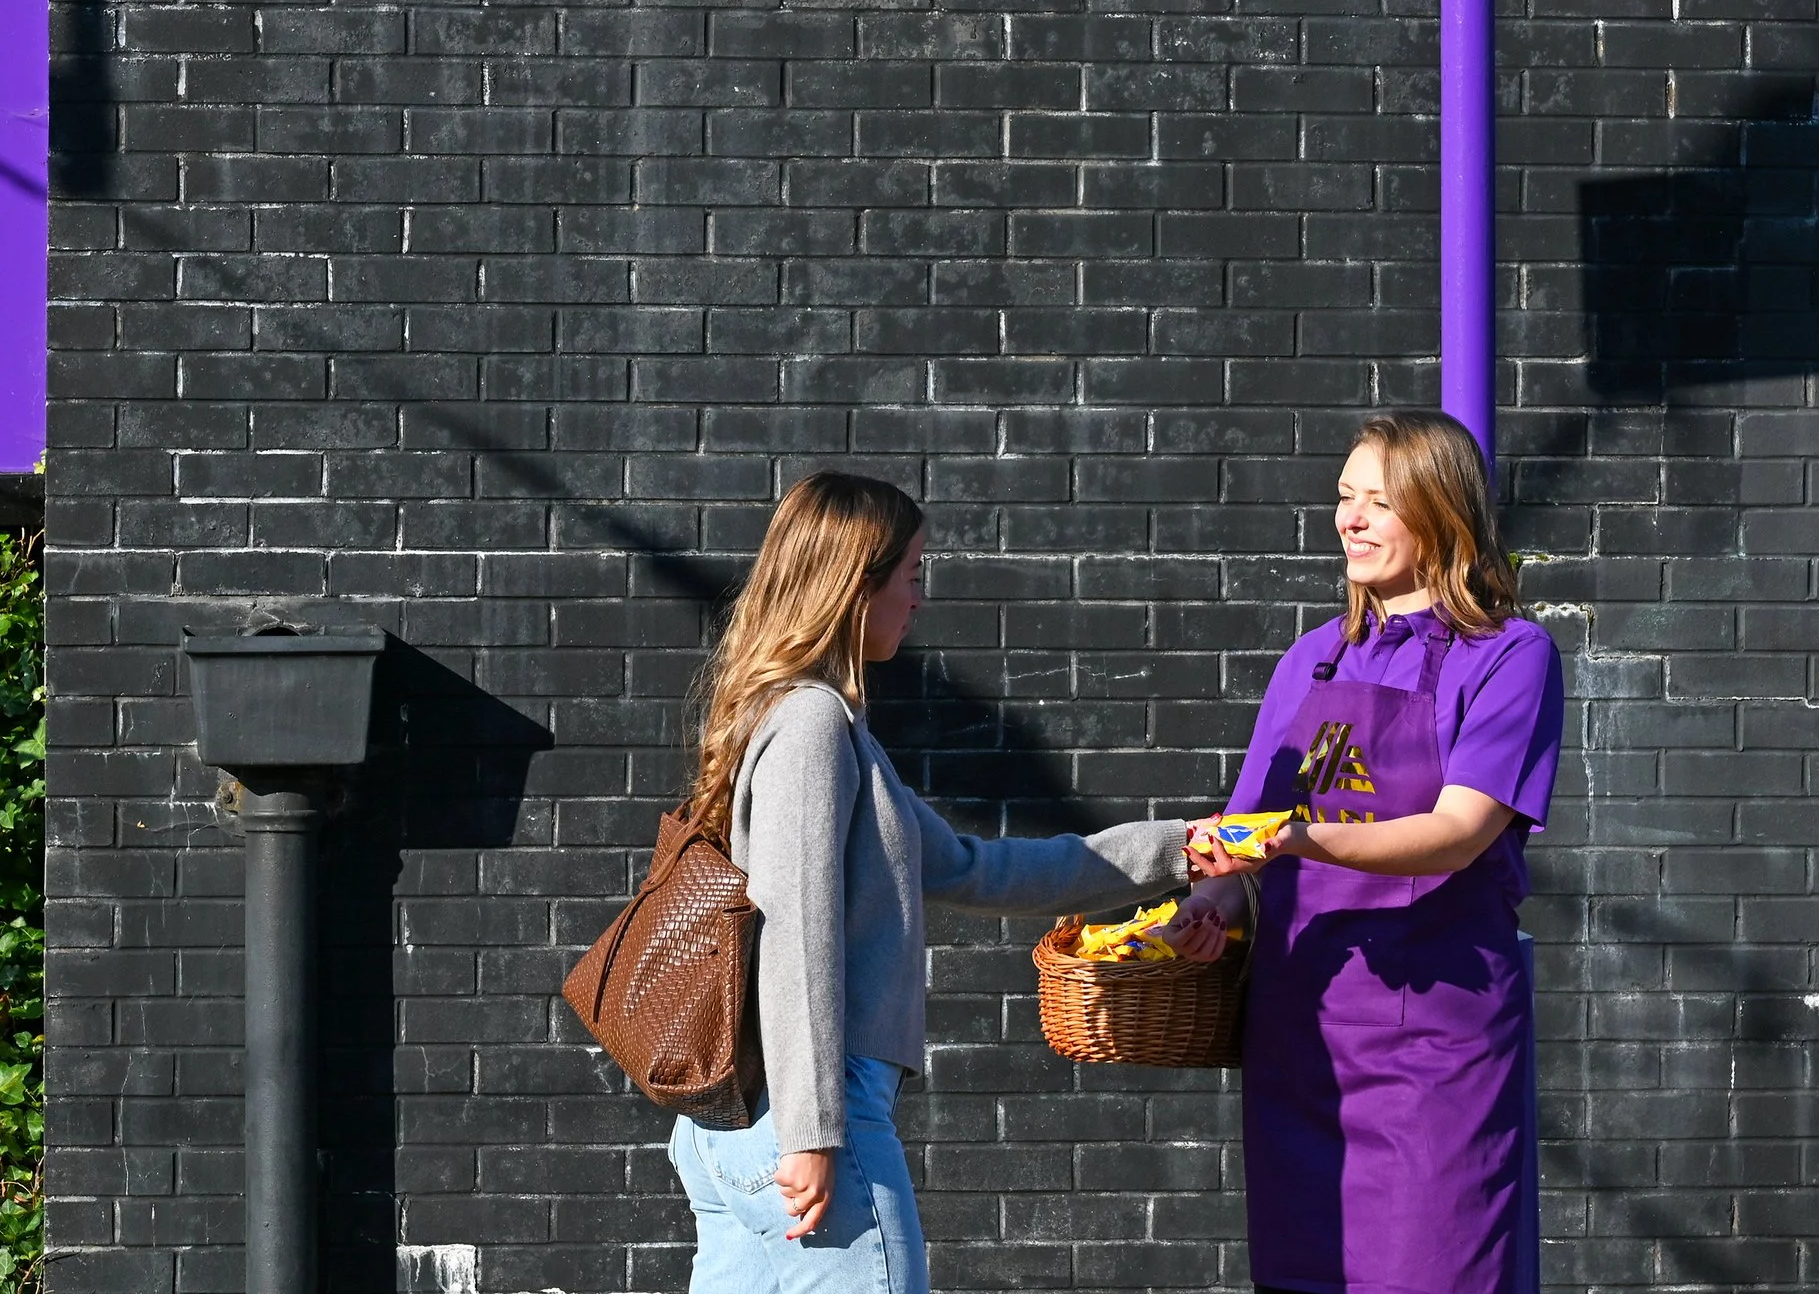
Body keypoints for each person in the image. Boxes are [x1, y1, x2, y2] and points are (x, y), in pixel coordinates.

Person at [669, 471, 1202, 1294]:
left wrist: (1176, 850)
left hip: (740, 1122)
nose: (918, 600)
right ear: (857, 586)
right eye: (912, 575)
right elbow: (794, 933)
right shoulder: (811, 725)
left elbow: (973, 867)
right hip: (804, 1115)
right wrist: (812, 1131)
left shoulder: (816, 726)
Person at [1178, 410, 1565, 1294]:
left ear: (1441, 514)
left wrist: (1302, 838)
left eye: (1378, 502)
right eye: (1344, 498)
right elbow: (1247, 837)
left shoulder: (1510, 655)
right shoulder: (1310, 659)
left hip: (1436, 1045)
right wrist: (1211, 904)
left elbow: (1462, 831)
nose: (1349, 519)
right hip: (1304, 1038)